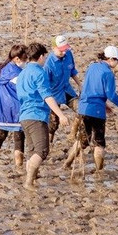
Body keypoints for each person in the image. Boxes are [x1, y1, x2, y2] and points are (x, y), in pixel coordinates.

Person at [16, 42, 73, 189]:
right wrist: (61, 115)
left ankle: (33, 179)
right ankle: (28, 182)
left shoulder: (22, 73)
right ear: (41, 56)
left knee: (32, 150)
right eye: (44, 57)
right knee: (42, 150)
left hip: (24, 116)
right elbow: (47, 96)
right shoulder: (39, 73)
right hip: (36, 115)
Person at [66, 45, 118, 173]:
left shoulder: (92, 66)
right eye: (117, 61)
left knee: (82, 141)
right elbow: (110, 94)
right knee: (99, 142)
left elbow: (89, 88)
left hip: (84, 108)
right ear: (110, 59)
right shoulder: (108, 73)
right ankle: (99, 170)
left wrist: (104, 104)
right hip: (97, 111)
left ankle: (68, 163)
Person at [0, 44, 27, 166]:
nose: (26, 62)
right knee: (19, 136)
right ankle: (19, 164)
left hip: (1, 108)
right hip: (16, 109)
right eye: (25, 59)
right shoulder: (18, 74)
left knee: (0, 134)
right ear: (17, 59)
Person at [44, 35, 79, 137]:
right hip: (53, 94)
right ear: (53, 48)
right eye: (61, 51)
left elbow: (72, 70)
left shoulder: (68, 54)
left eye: (65, 49)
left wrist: (80, 85)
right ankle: (48, 142)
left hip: (67, 90)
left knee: (81, 110)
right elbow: (44, 87)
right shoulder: (48, 65)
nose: (64, 53)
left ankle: (72, 134)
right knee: (53, 124)